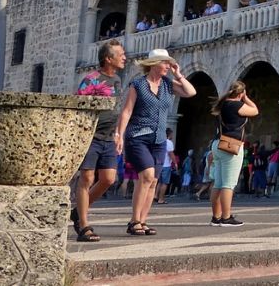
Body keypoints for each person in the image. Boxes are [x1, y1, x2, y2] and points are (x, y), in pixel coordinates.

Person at [116, 48, 196, 236]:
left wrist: (179, 74)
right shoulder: (138, 84)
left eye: (169, 63)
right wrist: (119, 135)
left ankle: (142, 221)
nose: (168, 66)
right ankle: (134, 220)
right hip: (137, 136)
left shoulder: (168, 84)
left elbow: (190, 92)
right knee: (147, 175)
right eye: (165, 63)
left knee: (152, 181)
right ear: (153, 65)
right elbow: (127, 111)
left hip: (159, 138)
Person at [70, 39, 126, 243]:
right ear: (108, 58)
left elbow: (118, 110)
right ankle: (84, 225)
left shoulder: (118, 80)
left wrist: (119, 134)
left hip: (109, 137)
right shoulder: (91, 79)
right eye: (120, 54)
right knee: (86, 179)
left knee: (109, 179)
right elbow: (79, 106)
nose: (124, 57)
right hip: (91, 136)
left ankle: (78, 211)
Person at [209, 81, 258, 226]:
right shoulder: (236, 105)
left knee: (218, 183)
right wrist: (246, 98)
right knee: (228, 184)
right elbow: (255, 110)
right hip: (231, 145)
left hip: (218, 144)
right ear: (241, 93)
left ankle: (216, 217)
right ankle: (226, 217)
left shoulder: (223, 104)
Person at [155, 128, 175, 204]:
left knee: (159, 182)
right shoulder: (169, 142)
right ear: (169, 134)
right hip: (166, 165)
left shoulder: (160, 141)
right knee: (165, 183)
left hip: (159, 164)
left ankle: (156, 195)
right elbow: (171, 154)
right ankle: (161, 199)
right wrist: (175, 163)